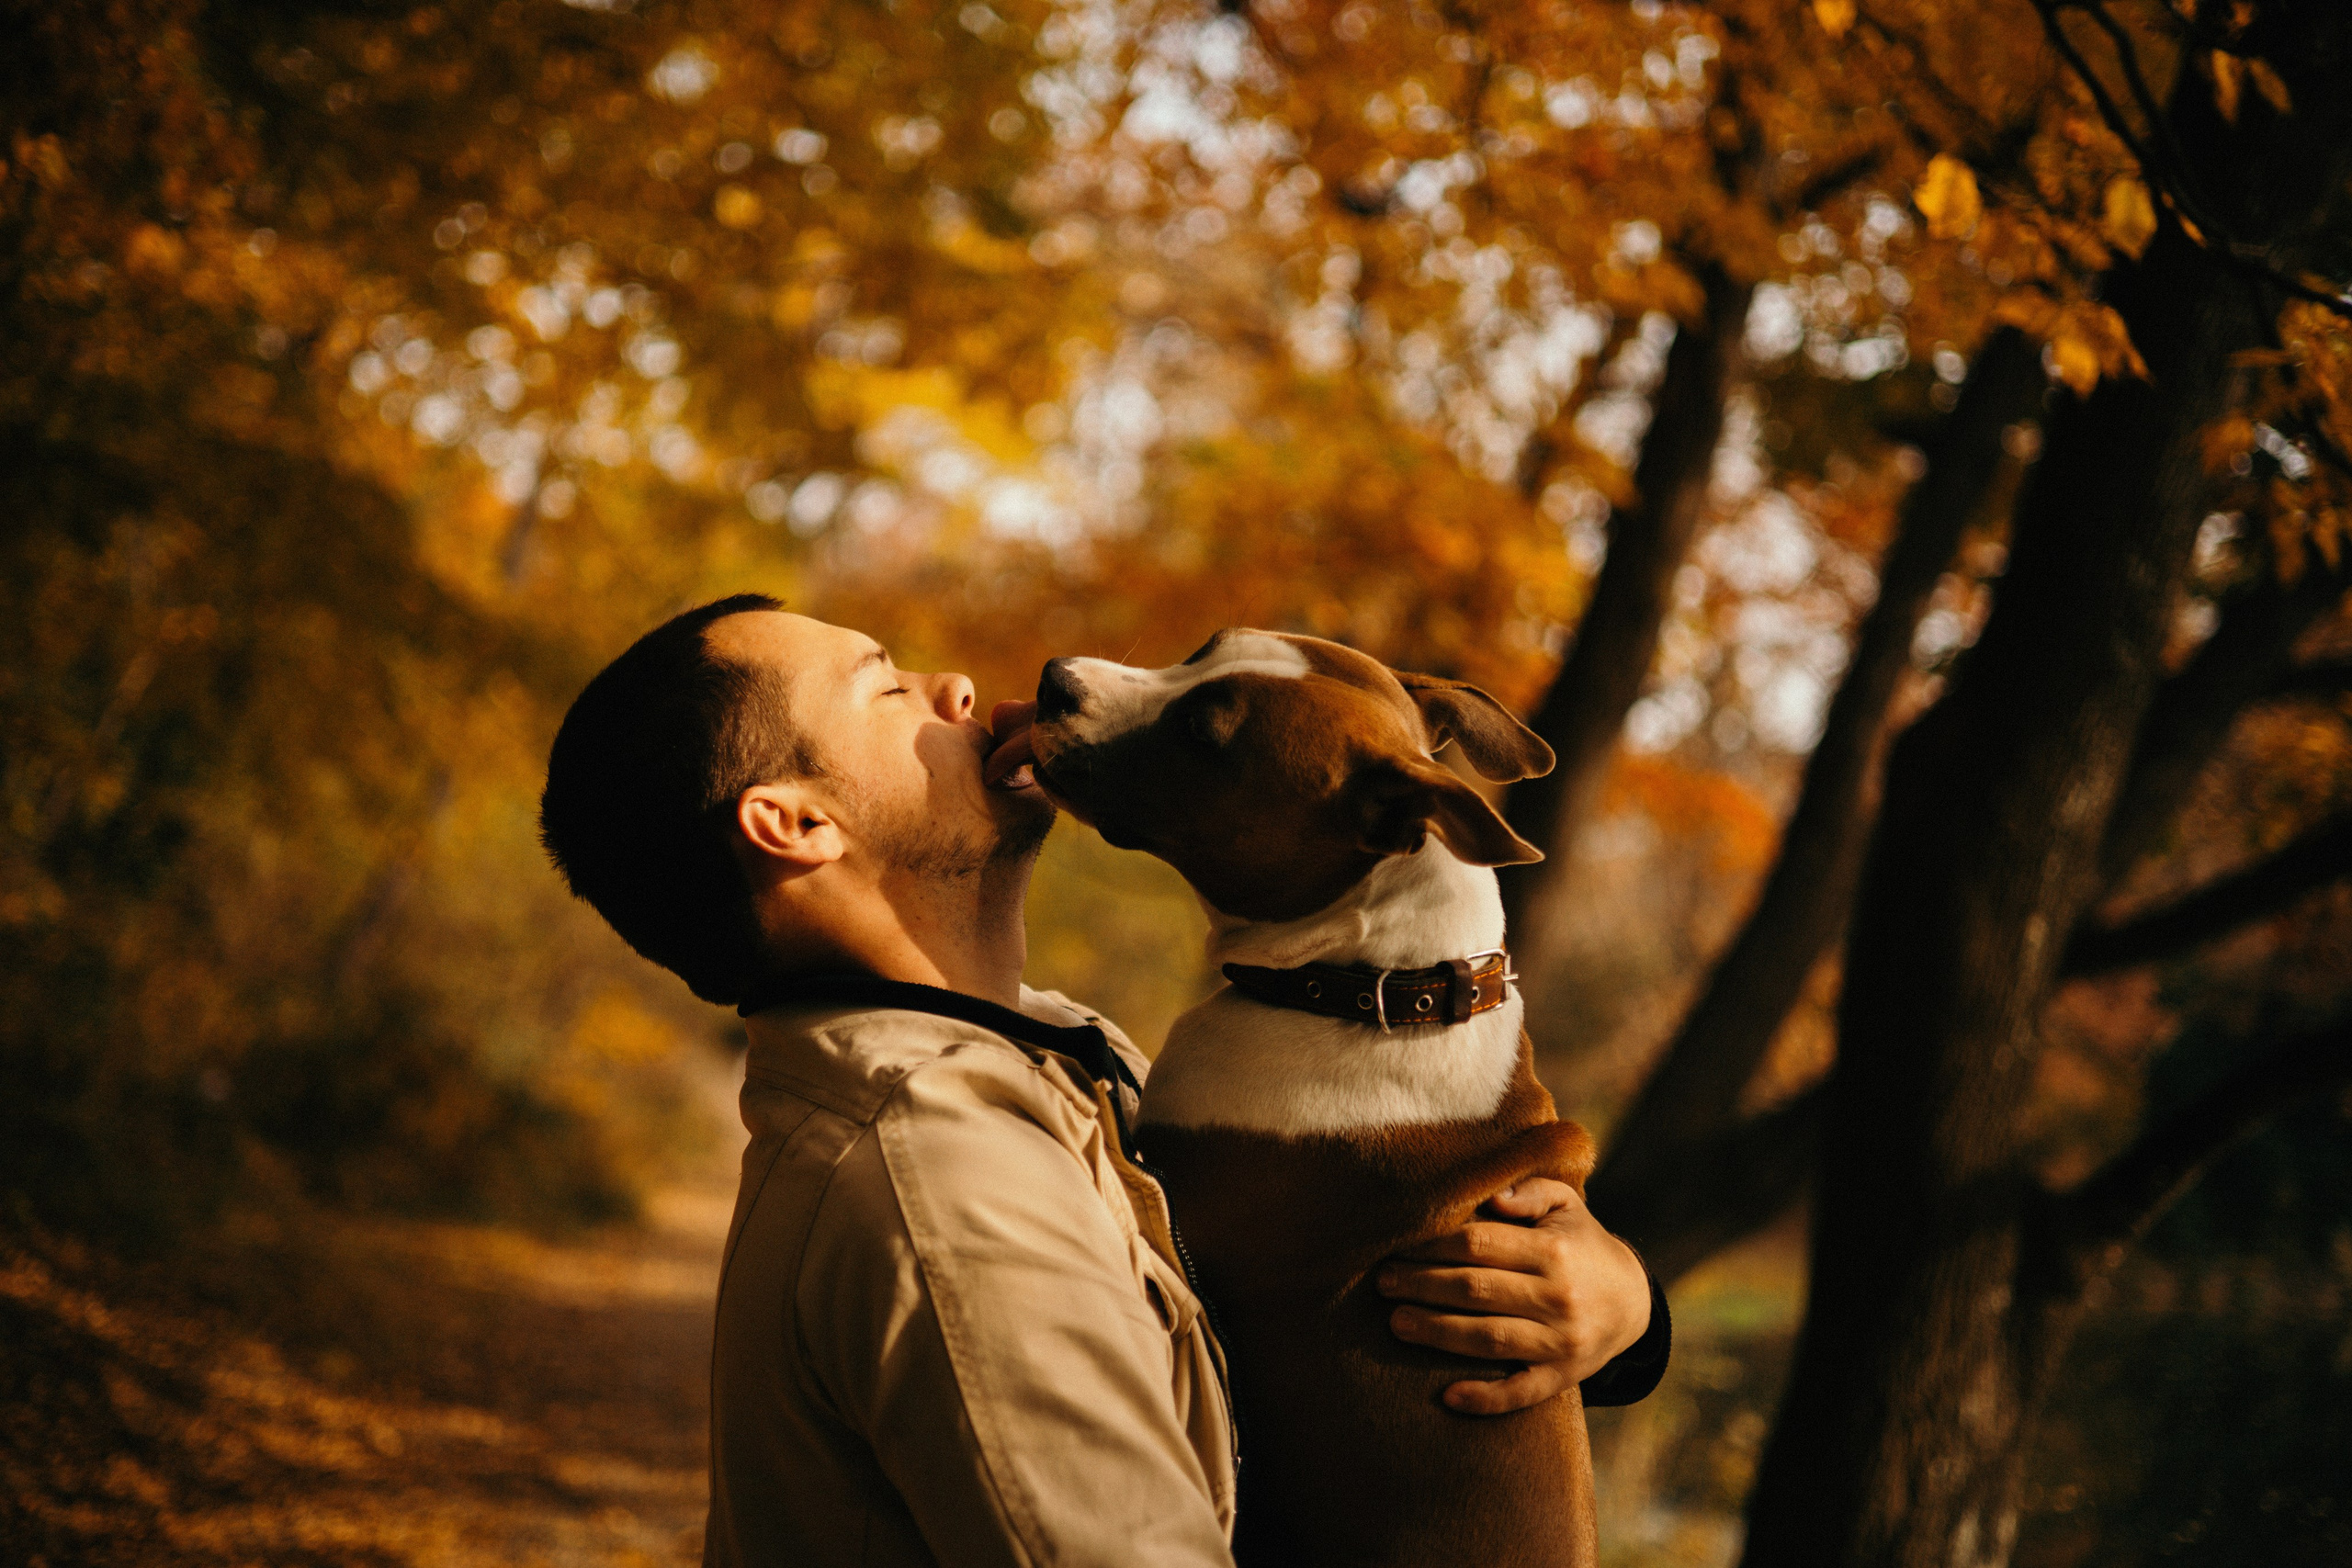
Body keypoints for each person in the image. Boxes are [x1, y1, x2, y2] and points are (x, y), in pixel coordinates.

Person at [538, 594, 1668, 1568]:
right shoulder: (952, 1198)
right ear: (795, 824)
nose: (959, 687)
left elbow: (1300, 1339)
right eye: (884, 690)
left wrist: (1621, 1321)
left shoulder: (1057, 1057)